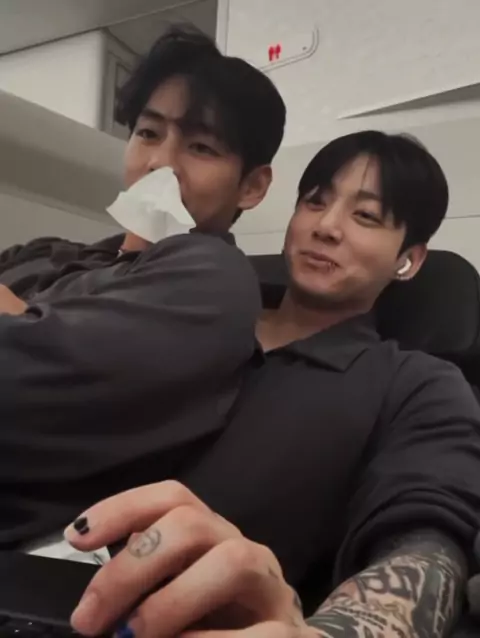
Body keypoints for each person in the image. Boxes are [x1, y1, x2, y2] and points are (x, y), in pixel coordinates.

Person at [64, 131, 480, 638]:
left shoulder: (418, 385)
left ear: (408, 258)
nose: (326, 227)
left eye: (366, 216)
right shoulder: (191, 307)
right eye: (315, 201)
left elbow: (427, 547)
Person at [0, 26, 286, 548]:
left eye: (201, 147)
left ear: (251, 186)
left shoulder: (214, 281)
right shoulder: (46, 253)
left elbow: (16, 386)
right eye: (149, 134)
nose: (159, 164)